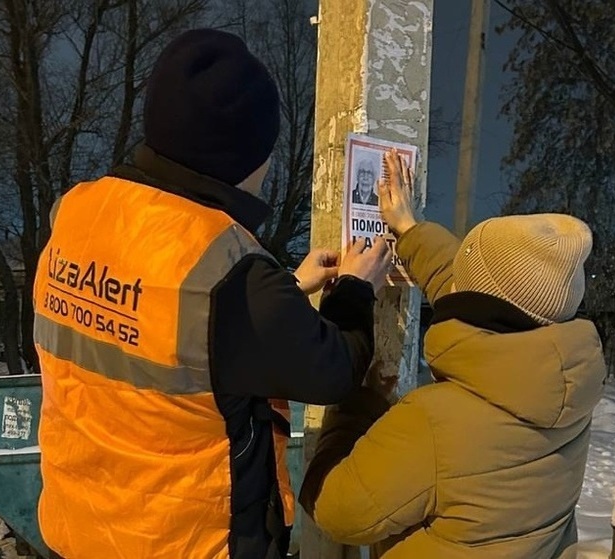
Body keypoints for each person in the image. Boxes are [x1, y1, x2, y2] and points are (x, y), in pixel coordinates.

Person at [33, 29, 392, 559]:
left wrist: (285, 290)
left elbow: (173, 331)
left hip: (81, 528)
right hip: (184, 543)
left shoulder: (79, 213)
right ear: (242, 156)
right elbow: (332, 369)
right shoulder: (231, 272)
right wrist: (358, 289)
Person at [299, 149, 607, 558]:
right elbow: (472, 290)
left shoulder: (437, 422)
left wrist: (355, 405)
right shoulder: (565, 383)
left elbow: (339, 509)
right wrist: (410, 229)